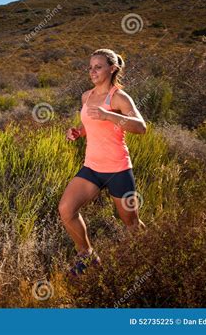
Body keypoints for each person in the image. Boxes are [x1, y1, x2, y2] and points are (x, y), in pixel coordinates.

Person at [59, 48, 147, 277]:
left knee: (132, 224)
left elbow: (140, 127)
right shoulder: (86, 96)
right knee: (66, 210)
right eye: (90, 67)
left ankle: (150, 257)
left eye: (98, 67)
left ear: (112, 68)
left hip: (118, 169)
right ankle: (87, 255)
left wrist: (110, 115)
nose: (92, 71)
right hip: (92, 167)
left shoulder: (118, 97)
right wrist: (79, 133)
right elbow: (91, 125)